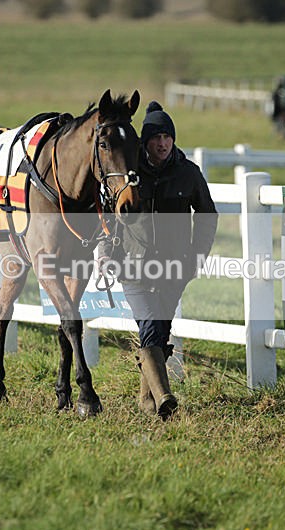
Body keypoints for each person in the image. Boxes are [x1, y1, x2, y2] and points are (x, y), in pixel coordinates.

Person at [98, 101, 218, 420]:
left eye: (168, 136)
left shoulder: (189, 173)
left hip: (175, 269)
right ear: (145, 142)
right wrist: (106, 252)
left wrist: (197, 256)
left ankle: (147, 403)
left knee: (159, 335)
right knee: (150, 326)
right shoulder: (129, 174)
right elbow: (107, 215)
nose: (163, 143)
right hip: (132, 267)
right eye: (156, 137)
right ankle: (165, 397)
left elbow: (208, 217)